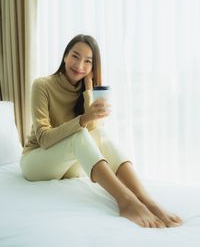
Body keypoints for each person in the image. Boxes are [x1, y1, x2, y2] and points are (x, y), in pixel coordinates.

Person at [20, 34, 183, 228]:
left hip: (67, 167)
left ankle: (145, 199)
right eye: (75, 56)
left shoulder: (85, 90)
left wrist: (89, 90)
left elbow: (94, 133)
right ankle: (126, 200)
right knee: (79, 135)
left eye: (88, 61)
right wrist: (83, 118)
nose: (79, 65)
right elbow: (44, 138)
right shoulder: (42, 85)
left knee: (100, 134)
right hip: (36, 163)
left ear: (93, 67)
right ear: (65, 56)